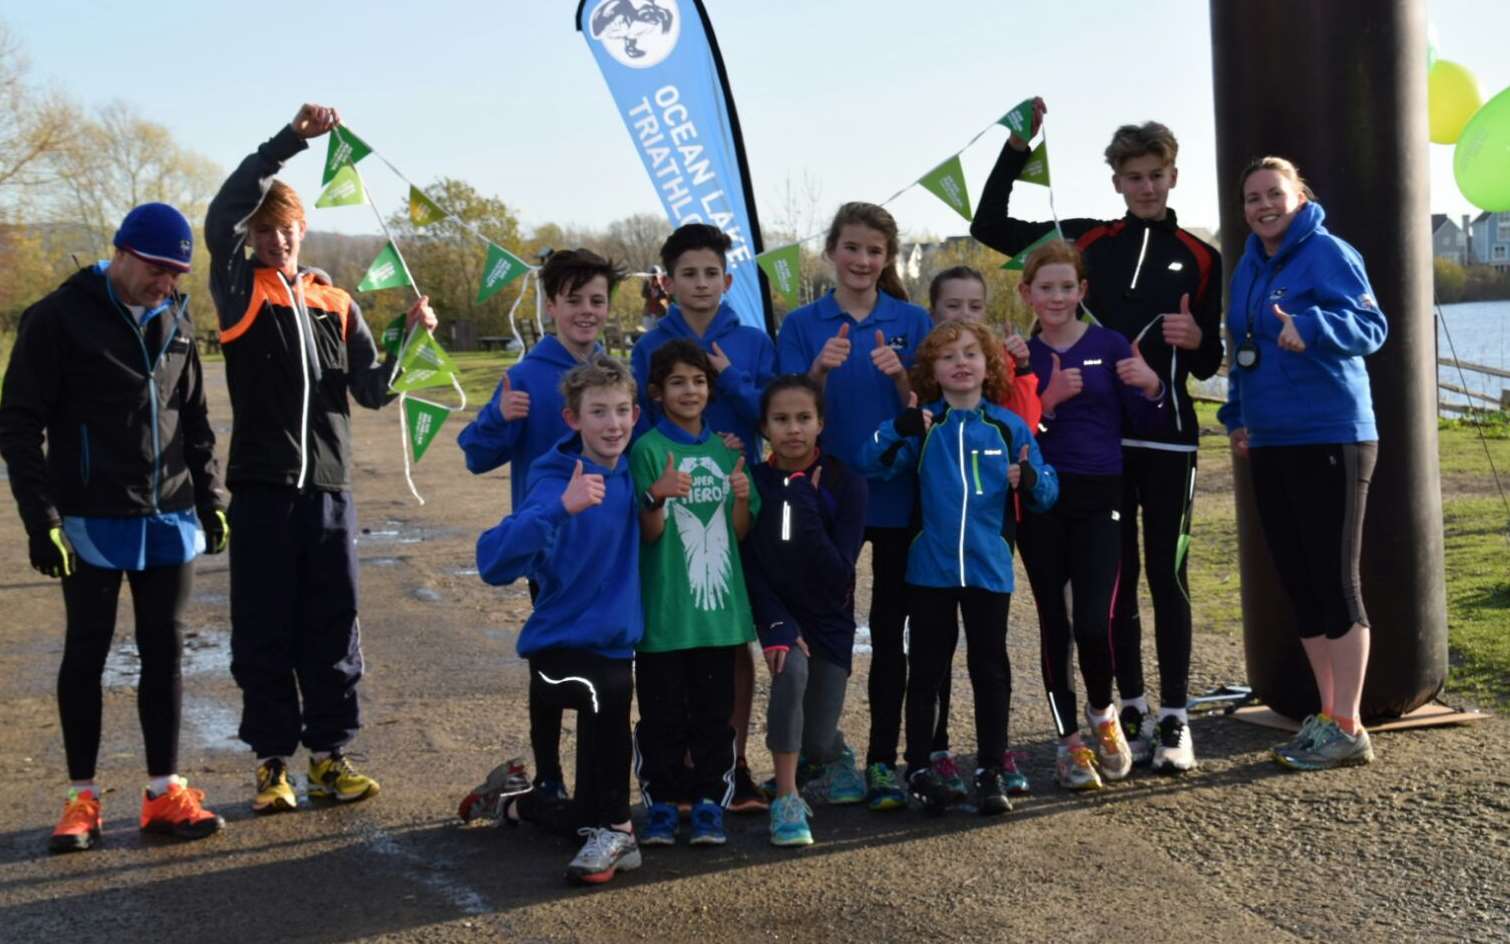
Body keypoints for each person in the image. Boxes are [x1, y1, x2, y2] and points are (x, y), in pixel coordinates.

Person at [972, 100, 1222, 772]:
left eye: (1156, 173)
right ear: (1116, 181)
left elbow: (1207, 359)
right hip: (1094, 454)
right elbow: (988, 223)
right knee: (1114, 586)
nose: (1145, 185)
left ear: (1173, 177)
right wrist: (1019, 148)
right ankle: (1132, 709)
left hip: (1167, 437)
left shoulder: (1201, 256)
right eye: (1132, 175)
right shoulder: (1087, 241)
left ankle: (1175, 718)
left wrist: (1199, 342)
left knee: (1168, 578)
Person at [205, 103, 437, 813]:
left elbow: (369, 391)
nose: (278, 240)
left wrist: (407, 335)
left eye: (288, 229)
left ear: (304, 231)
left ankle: (330, 759)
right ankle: (272, 765)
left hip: (330, 492)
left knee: (333, 626)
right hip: (264, 489)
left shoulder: (335, 302)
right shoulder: (241, 289)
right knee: (265, 628)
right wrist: (288, 142)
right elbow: (221, 214)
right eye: (266, 229)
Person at [0, 203, 228, 851]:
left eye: (178, 274)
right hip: (89, 520)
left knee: (165, 653)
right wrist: (38, 519)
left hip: (170, 517)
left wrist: (210, 496)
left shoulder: (178, 316)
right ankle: (82, 799)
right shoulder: (55, 319)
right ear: (122, 253)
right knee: (87, 652)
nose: (167, 284)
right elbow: (17, 424)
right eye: (158, 270)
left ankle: (163, 794)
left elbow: (197, 419)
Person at [1219, 157, 1387, 771]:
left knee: (1335, 581)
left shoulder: (1328, 252)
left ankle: (1350, 723)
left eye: (1274, 195)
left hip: (1331, 433)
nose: (1263, 205)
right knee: (1300, 582)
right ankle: (1327, 716)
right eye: (1252, 198)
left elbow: (1372, 326)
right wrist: (1236, 416)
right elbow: (1240, 347)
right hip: (1269, 439)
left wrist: (1312, 326)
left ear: (1299, 196)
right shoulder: (1247, 266)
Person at [861, 320, 1057, 815]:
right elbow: (872, 462)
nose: (961, 363)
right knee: (927, 670)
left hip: (989, 569)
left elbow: (1048, 491)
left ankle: (992, 767)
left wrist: (1030, 479)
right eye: (948, 357)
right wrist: (897, 428)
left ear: (989, 365)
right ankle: (922, 767)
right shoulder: (926, 423)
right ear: (933, 371)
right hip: (930, 570)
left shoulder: (1008, 426)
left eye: (971, 353)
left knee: (990, 669)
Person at [776, 202, 933, 812]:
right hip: (824, 495)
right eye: (852, 248)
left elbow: (928, 407)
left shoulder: (912, 320)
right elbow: (788, 412)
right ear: (831, 252)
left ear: (887, 258)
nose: (862, 260)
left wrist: (901, 379)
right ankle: (822, 753)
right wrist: (818, 368)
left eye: (874, 250)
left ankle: (881, 761)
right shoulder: (802, 324)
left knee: (892, 633)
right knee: (823, 627)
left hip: (895, 494)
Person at [459, 247, 621, 802]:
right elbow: (476, 457)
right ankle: (550, 774)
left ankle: (601, 774)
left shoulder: (611, 373)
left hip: (610, 545)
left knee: (604, 660)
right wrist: (498, 419)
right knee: (552, 658)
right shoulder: (526, 375)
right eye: (573, 300)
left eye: (596, 300)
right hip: (550, 546)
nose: (586, 311)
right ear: (550, 305)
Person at [476, 355, 644, 884]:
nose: (612, 424)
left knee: (580, 818)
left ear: (636, 415)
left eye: (620, 411)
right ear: (573, 420)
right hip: (556, 655)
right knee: (608, 688)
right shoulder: (556, 478)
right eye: (597, 412)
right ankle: (619, 830)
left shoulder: (635, 469)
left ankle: (515, 805)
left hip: (613, 646)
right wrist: (560, 509)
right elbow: (492, 560)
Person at [631, 223, 777, 812]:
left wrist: (730, 376)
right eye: (687, 274)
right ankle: (683, 762)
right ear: (667, 282)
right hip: (673, 503)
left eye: (710, 273)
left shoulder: (751, 340)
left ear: (728, 279)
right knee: (676, 634)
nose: (699, 283)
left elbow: (768, 417)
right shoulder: (649, 343)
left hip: (732, 498)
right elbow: (642, 424)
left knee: (728, 635)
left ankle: (731, 762)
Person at [1014, 241, 1166, 791]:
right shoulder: (1020, 356)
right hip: (1043, 499)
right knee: (1054, 624)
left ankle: (1103, 716)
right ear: (1026, 293)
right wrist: (1046, 401)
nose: (1056, 297)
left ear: (1082, 291)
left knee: (1093, 619)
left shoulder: (1109, 343)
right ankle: (1067, 743)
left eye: (1066, 287)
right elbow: (1012, 431)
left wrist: (1152, 385)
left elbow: (1144, 415)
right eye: (1045, 288)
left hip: (1104, 494)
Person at [630, 340, 758, 846]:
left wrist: (744, 498)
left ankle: (709, 802)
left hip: (718, 617)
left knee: (713, 716)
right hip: (666, 617)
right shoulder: (646, 450)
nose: (691, 391)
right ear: (658, 393)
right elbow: (649, 534)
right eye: (679, 382)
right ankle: (662, 804)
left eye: (699, 381)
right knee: (661, 718)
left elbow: (741, 533)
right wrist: (656, 496)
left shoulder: (725, 449)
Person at [742, 374, 869, 845]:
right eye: (781, 420)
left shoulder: (846, 483)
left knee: (816, 740)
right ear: (765, 428)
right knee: (790, 673)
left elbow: (840, 572)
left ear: (821, 423)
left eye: (803, 418)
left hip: (829, 618)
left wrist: (805, 507)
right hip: (781, 614)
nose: (793, 429)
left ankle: (833, 757)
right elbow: (750, 563)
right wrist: (775, 622)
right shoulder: (754, 481)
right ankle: (788, 799)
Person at [929, 266, 1042, 431]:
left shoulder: (1002, 360)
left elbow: (1026, 427)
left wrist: (1022, 368)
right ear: (932, 313)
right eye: (953, 306)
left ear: (984, 313)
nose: (965, 314)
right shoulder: (924, 359)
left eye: (975, 307)